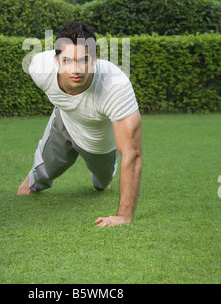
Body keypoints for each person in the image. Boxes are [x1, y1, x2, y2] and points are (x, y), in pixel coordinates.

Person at [18, 21, 142, 228]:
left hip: (99, 143)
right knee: (40, 175)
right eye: (67, 60)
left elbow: (133, 153)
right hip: (65, 122)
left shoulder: (115, 86)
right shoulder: (41, 67)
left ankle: (103, 176)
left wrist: (123, 216)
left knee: (102, 183)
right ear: (56, 60)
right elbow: (33, 60)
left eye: (84, 60)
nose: (75, 70)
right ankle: (30, 183)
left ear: (94, 59)